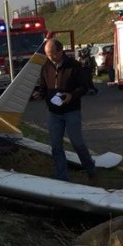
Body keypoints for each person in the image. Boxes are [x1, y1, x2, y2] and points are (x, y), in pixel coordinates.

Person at [34, 38, 97, 184]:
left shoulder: (74, 66)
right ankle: (62, 177)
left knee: (77, 143)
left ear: (60, 51)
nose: (50, 57)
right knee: (56, 146)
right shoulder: (46, 67)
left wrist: (71, 96)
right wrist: (40, 94)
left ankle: (91, 170)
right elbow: (43, 87)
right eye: (47, 55)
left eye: (52, 54)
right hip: (53, 113)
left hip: (71, 111)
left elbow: (84, 87)